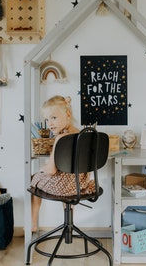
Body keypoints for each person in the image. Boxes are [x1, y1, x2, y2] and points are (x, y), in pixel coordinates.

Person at [30, 95, 96, 233]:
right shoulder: (82, 134)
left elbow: (52, 171)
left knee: (34, 178)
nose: (50, 124)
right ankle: (69, 224)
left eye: (54, 118)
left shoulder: (60, 138)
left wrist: (44, 168)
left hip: (63, 188)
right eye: (47, 119)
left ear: (68, 114)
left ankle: (32, 223)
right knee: (67, 179)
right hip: (80, 185)